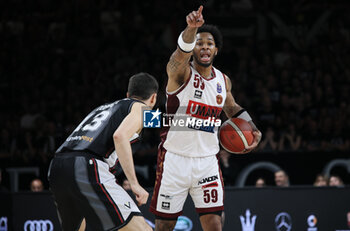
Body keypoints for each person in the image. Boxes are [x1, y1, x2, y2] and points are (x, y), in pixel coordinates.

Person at [150, 6, 261, 231]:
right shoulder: (180, 72)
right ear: (193, 48)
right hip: (174, 160)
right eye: (200, 43)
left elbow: (231, 107)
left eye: (209, 43)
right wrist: (191, 29)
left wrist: (251, 125)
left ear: (216, 50)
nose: (204, 47)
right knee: (164, 225)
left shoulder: (223, 81)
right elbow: (179, 54)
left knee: (214, 224)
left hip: (208, 162)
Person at [48, 73, 158, 231]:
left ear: (127, 95)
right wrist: (135, 184)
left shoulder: (105, 107)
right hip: (86, 166)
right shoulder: (141, 107)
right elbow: (120, 136)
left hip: (58, 166)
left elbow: (163, 121)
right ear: (153, 98)